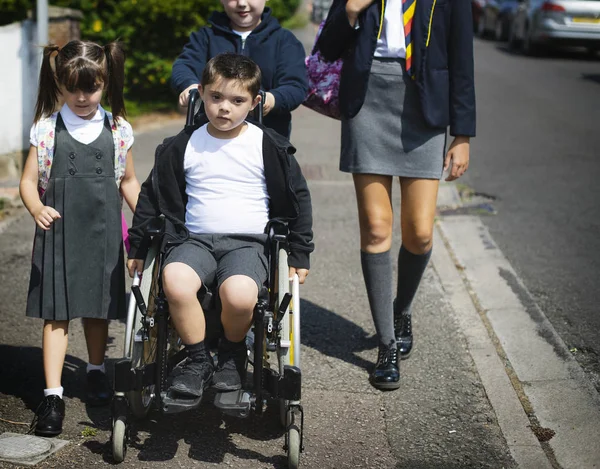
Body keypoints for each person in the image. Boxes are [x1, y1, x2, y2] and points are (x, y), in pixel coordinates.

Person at [127, 53, 313, 400]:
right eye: (216, 97)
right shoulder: (183, 144)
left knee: (240, 294)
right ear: (202, 94)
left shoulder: (266, 145)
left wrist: (300, 253)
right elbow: (151, 197)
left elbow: (298, 198)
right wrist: (138, 247)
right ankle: (198, 360)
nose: (224, 107)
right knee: (176, 282)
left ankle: (231, 354)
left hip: (248, 243)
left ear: (255, 103)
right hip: (194, 240)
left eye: (237, 100)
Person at [316, 0, 475, 390]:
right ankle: (387, 344)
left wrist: (463, 135)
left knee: (419, 231)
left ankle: (401, 310)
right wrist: (351, 10)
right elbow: (327, 48)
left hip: (424, 107)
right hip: (367, 101)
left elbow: (462, 60)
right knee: (375, 227)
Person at [19, 40, 140, 435]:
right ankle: (52, 395)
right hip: (58, 232)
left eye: (92, 88)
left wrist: (147, 220)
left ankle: (94, 371)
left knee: (97, 308)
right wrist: (36, 208)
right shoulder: (46, 129)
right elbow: (26, 182)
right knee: (56, 314)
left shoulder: (119, 129)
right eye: (74, 88)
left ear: (105, 82)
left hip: (104, 233)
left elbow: (129, 181)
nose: (83, 97)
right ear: (60, 83)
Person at [171, 0, 308, 138]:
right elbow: (184, 66)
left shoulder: (284, 41)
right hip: (209, 138)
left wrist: (271, 99)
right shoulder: (205, 37)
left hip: (266, 139)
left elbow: (295, 85)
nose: (242, 3)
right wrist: (189, 85)